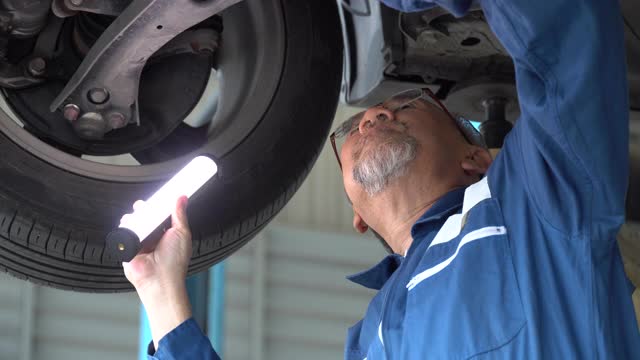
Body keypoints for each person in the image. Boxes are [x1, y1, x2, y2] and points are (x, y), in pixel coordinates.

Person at [124, 0, 640, 358]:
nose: (371, 117)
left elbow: (567, 41)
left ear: (478, 160)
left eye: (403, 107)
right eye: (353, 126)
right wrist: (162, 291)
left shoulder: (535, 200)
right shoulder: (373, 339)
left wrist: (160, 297)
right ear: (356, 213)